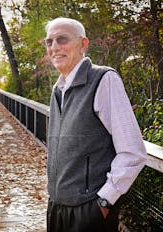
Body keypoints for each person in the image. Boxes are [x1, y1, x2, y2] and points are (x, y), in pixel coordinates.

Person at [45, 17, 147, 232]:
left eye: (62, 39)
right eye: (49, 42)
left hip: (89, 211)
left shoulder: (103, 79)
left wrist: (103, 202)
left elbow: (133, 152)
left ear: (83, 44)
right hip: (57, 207)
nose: (54, 47)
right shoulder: (58, 90)